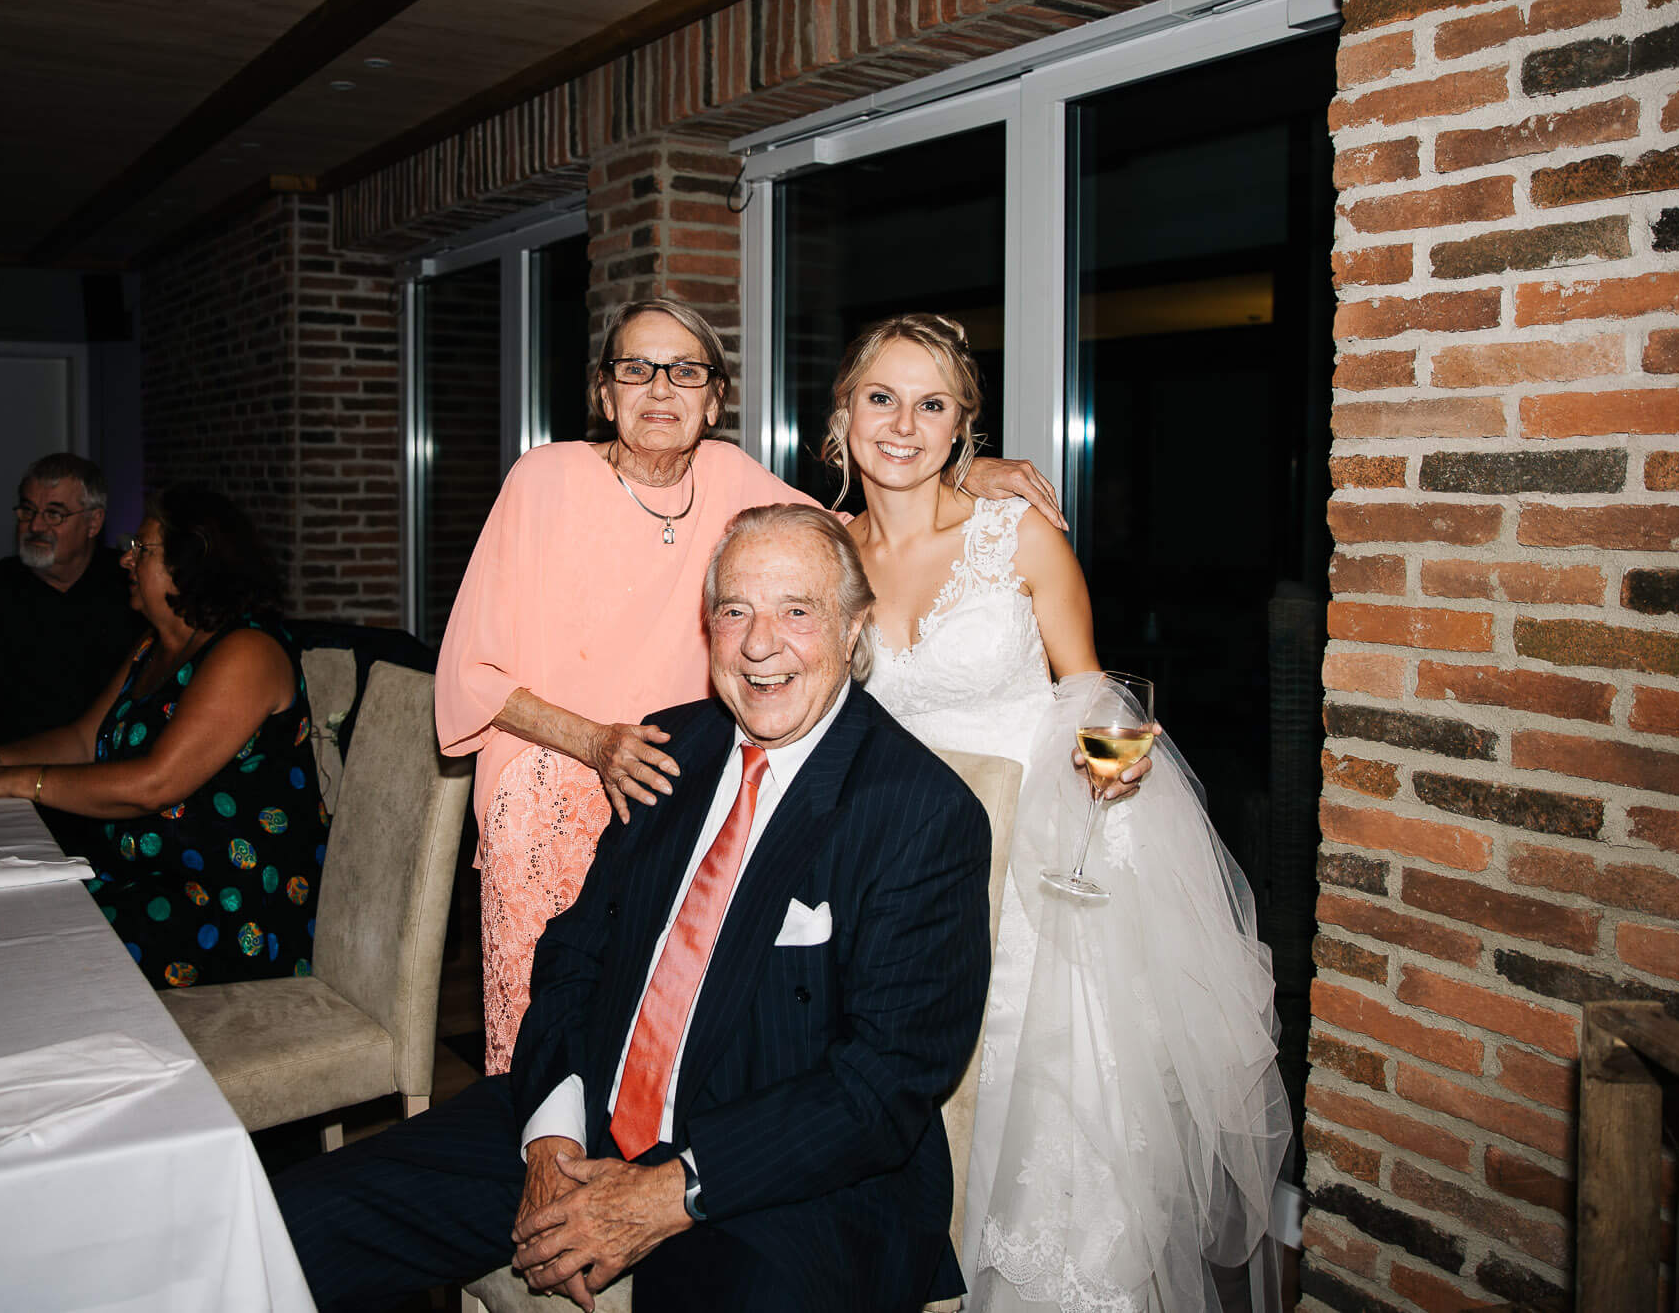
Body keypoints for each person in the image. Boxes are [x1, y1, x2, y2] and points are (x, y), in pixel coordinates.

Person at [273, 505, 992, 1313]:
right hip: (590, 1113)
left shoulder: (922, 813)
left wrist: (666, 1193)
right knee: (290, 1226)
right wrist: (551, 1136)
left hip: (786, 1176)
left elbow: (880, 1087)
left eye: (797, 611)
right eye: (735, 611)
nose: (760, 645)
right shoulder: (669, 749)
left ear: (854, 628)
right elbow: (574, 953)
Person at [437, 295, 1059, 1072]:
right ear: (604, 392)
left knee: (650, 1026)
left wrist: (964, 472)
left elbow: (843, 531)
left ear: (715, 400)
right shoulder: (545, 478)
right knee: (543, 1033)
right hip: (550, 780)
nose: (660, 389)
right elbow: (469, 673)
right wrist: (596, 744)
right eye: (636, 369)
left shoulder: (729, 476)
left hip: (673, 789)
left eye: (685, 371)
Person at [831, 314, 1289, 1313]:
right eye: (881, 399)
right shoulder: (823, 552)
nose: (902, 425)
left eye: (931, 404)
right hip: (888, 872)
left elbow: (1090, 690)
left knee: (1036, 1120)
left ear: (964, 427)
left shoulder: (1018, 535)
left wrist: (1113, 766)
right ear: (844, 413)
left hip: (1026, 871)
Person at [0, 487, 323, 991]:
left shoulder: (246, 653)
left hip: (225, 908)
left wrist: (16, 782)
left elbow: (154, 785)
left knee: (21, 957)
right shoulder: (154, 645)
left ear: (191, 562)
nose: (125, 559)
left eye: (141, 549)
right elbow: (84, 739)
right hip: (142, 879)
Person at [0, 453, 142, 751]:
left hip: (109, 759)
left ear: (93, 523)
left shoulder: (131, 589)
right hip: (5, 758)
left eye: (54, 514)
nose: (36, 526)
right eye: (27, 511)